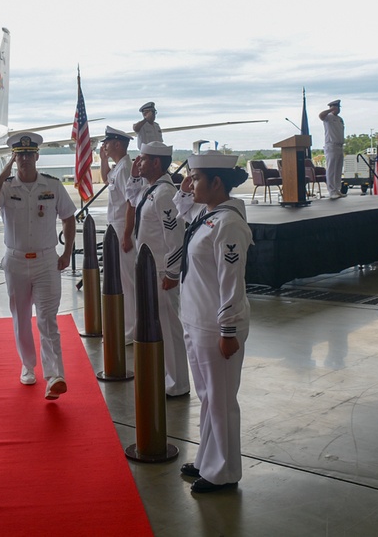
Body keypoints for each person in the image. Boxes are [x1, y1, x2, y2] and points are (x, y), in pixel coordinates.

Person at [174, 151, 252, 494]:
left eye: (196, 178)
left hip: (216, 326)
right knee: (208, 397)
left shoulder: (228, 223)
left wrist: (229, 329)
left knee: (220, 401)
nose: (189, 184)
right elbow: (180, 207)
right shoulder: (207, 215)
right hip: (196, 320)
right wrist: (187, 182)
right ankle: (208, 460)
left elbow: (230, 281)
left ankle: (225, 473)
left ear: (217, 182)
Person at [0, 132, 76, 399]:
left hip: (46, 260)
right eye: (19, 155)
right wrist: (2, 174)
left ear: (37, 156)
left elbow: (69, 217)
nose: (24, 159)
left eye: (28, 154)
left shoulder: (53, 186)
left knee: (47, 319)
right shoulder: (7, 186)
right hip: (16, 261)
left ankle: (55, 375)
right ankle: (27, 365)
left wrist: (67, 251)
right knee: (21, 318)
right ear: (14, 158)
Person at [122, 141, 190, 397]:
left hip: (163, 273)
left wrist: (172, 274)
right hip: (151, 272)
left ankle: (177, 384)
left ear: (157, 163)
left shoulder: (164, 194)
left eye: (143, 159)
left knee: (170, 329)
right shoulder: (150, 190)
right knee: (158, 327)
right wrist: (134, 173)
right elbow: (130, 196)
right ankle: (166, 377)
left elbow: (176, 239)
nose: (137, 163)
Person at [99, 125, 137, 344]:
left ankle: (131, 331)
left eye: (107, 143)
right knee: (121, 280)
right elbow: (106, 179)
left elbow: (131, 203)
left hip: (123, 226)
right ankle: (125, 326)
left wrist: (126, 235)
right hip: (116, 226)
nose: (104, 146)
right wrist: (103, 159)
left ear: (117, 144)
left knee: (127, 282)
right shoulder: (119, 167)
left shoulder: (125, 169)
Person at [319, 99, 345, 199]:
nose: (338, 109)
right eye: (336, 107)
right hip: (331, 145)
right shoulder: (328, 117)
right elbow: (320, 115)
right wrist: (330, 110)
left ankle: (337, 189)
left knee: (338, 169)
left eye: (338, 107)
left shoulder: (339, 119)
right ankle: (332, 191)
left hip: (339, 145)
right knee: (331, 169)